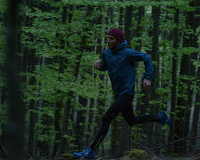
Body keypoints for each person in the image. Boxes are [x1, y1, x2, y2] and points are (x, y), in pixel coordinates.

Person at [73, 28, 173, 159]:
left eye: (111, 38)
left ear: (118, 40)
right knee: (132, 121)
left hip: (126, 93)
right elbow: (105, 66)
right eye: (107, 37)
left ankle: (91, 151)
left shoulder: (128, 53)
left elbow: (146, 58)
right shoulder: (106, 54)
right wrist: (99, 66)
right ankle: (160, 118)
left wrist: (147, 77)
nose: (108, 40)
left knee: (106, 117)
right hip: (118, 94)